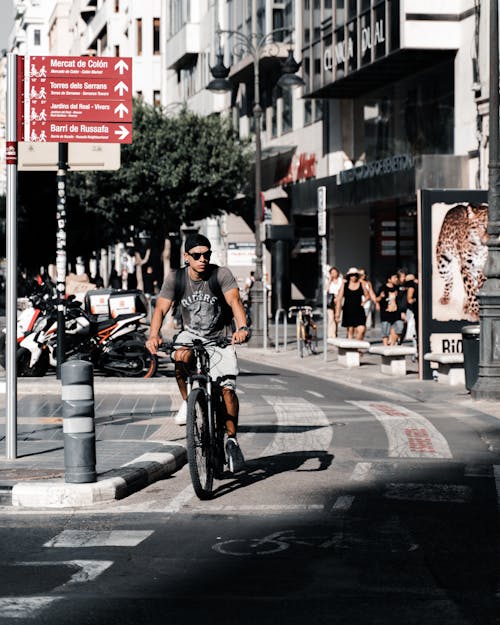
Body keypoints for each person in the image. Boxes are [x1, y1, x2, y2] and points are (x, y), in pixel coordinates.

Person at [146, 234, 249, 474]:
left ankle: (232, 440)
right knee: (180, 356)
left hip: (220, 337)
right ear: (186, 257)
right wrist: (154, 335)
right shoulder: (176, 278)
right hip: (190, 334)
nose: (202, 259)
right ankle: (187, 401)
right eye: (197, 255)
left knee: (227, 389)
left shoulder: (220, 274)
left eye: (207, 255)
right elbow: (161, 308)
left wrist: (242, 328)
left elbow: (235, 303)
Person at [335, 267, 370, 340]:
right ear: (349, 276)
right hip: (348, 310)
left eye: (355, 275)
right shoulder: (345, 285)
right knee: (350, 330)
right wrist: (337, 313)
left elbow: (367, 295)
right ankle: (350, 347)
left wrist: (364, 302)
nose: (353, 277)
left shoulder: (361, 284)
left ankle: (357, 344)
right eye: (351, 275)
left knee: (361, 329)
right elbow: (339, 298)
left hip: (359, 309)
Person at [376, 272, 406, 346]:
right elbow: (377, 299)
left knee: (399, 327)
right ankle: (385, 346)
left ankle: (393, 343)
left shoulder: (397, 288)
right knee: (385, 331)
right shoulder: (382, 288)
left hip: (396, 312)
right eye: (394, 278)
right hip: (386, 312)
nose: (396, 279)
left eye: (396, 278)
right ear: (389, 279)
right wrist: (380, 297)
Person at [325, 266, 343, 339]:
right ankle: (330, 335)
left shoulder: (340, 280)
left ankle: (335, 333)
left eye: (334, 272)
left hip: (338, 300)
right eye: (331, 273)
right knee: (330, 318)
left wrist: (338, 297)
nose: (333, 274)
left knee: (336, 318)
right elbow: (326, 290)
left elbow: (341, 291)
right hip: (330, 300)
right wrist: (329, 280)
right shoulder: (328, 280)